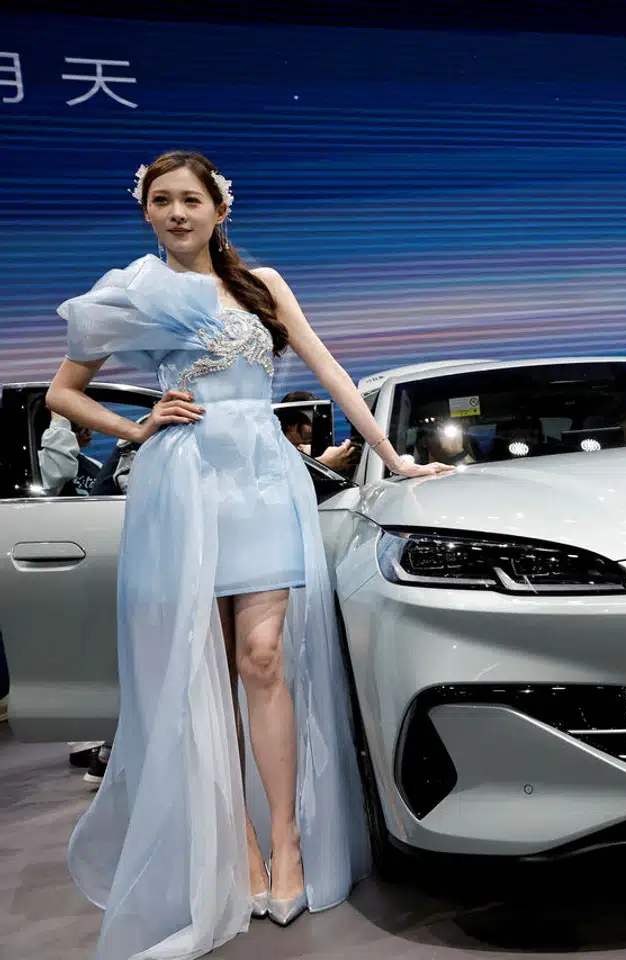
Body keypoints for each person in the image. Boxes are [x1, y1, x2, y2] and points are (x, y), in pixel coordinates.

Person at [47, 151, 451, 959]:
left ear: (218, 208)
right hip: (183, 482)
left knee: (263, 659)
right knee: (202, 677)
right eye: (161, 200)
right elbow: (64, 390)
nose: (176, 213)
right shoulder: (132, 293)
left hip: (263, 477)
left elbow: (331, 370)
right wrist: (138, 428)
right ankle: (242, 852)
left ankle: (288, 843)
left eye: (190, 199)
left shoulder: (262, 286)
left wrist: (393, 458)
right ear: (146, 210)